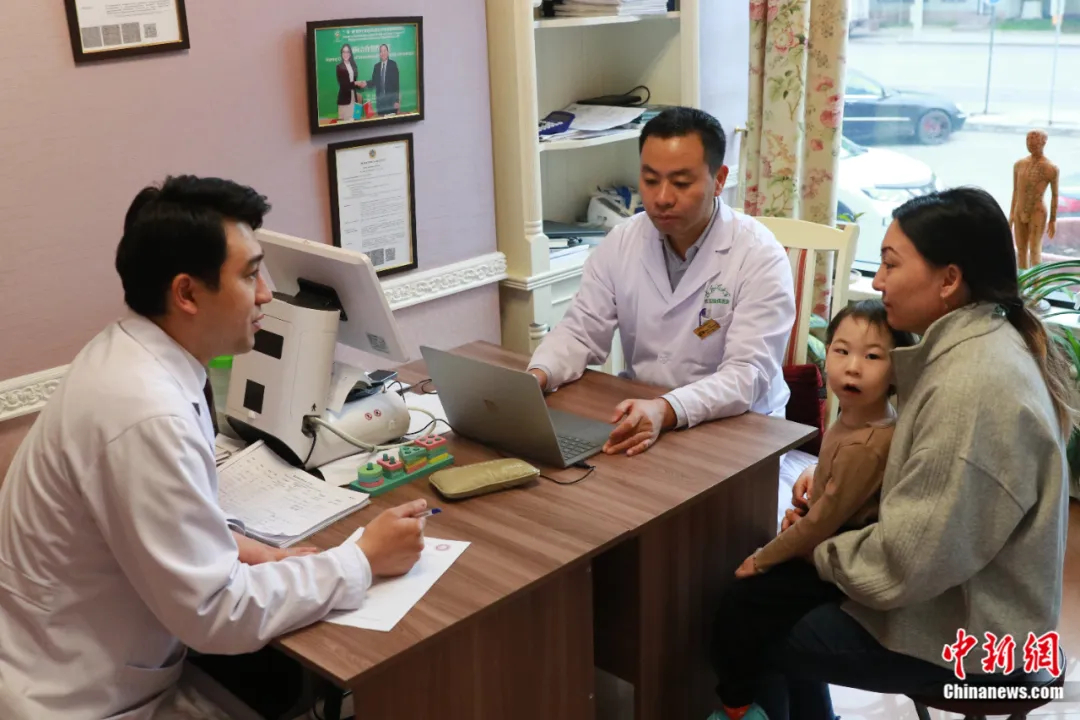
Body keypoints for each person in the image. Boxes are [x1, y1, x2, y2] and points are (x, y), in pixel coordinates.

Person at [0, 176, 428, 720]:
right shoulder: (146, 412)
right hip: (85, 702)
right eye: (250, 274)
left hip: (77, 663)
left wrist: (257, 551)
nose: (266, 294)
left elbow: (157, 521)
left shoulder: (127, 354)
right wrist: (361, 559)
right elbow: (218, 612)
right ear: (186, 294)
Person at [750, 187, 1074, 720]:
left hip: (978, 643)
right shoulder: (983, 341)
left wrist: (817, 548)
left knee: (753, 618)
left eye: (890, 264)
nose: (878, 281)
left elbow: (904, 563)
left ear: (949, 280)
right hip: (971, 601)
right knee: (772, 590)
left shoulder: (972, 384)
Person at [527, 107, 796, 457]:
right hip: (644, 414)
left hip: (738, 432)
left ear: (719, 179)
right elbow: (580, 332)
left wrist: (666, 409)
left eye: (681, 183)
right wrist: (538, 375)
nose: (663, 198)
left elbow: (747, 375)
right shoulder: (623, 241)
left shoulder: (759, 255)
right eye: (651, 180)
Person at [709, 300, 916, 720]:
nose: (852, 367)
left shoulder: (867, 443)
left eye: (872, 357)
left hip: (839, 563)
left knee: (740, 602)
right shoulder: (859, 419)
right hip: (827, 545)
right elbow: (836, 482)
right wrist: (817, 475)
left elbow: (822, 522)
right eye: (841, 350)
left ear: (897, 369)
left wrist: (763, 557)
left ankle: (740, 708)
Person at [357, 43, 400, 116]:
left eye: (384, 50)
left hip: (391, 103)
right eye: (381, 51)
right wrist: (366, 83)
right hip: (380, 104)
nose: (383, 53)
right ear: (379, 54)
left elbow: (396, 85)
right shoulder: (376, 66)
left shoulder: (393, 64)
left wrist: (396, 101)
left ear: (388, 52)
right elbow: (374, 82)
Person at [335, 43, 360, 122]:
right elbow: (343, 85)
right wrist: (355, 83)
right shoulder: (339, 67)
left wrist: (360, 84)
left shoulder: (354, 65)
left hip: (354, 98)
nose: (345, 54)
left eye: (347, 52)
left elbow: (354, 82)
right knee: (345, 123)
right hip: (344, 99)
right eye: (344, 52)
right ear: (341, 53)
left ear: (350, 53)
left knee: (355, 120)